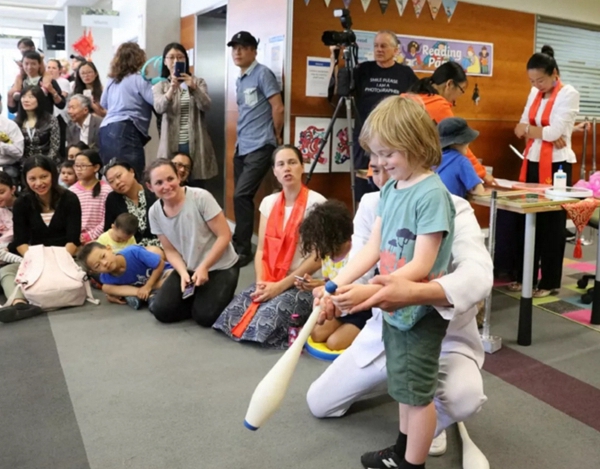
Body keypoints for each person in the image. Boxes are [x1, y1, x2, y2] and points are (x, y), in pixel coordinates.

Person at [307, 157, 491, 463]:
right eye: (374, 167)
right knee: (319, 403)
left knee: (463, 398)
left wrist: (414, 293)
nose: (380, 174)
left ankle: (426, 421)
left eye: (386, 163)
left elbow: (478, 276)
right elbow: (364, 263)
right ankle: (407, 393)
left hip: (439, 331)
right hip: (386, 328)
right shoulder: (374, 202)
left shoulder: (449, 204)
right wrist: (333, 292)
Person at [314, 96, 455, 469]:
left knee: (417, 396)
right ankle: (401, 451)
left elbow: (422, 264)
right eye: (376, 155)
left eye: (388, 153)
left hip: (419, 313)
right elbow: (373, 248)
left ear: (416, 143)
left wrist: (373, 290)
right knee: (403, 389)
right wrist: (334, 284)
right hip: (394, 309)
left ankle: (412, 465)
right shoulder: (392, 190)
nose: (381, 163)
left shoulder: (431, 195)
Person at [213, 145, 325, 348]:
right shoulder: (268, 202)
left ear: (302, 167)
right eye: (280, 164)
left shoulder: (317, 203)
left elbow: (318, 257)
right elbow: (262, 250)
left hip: (302, 283)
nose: (287, 168)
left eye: (292, 162)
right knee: (230, 316)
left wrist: (280, 287)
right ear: (274, 171)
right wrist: (261, 283)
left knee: (264, 322)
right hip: (272, 276)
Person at [505, 45, 580, 298]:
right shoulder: (535, 93)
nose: (536, 85)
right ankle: (521, 274)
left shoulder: (569, 93)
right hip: (533, 161)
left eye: (541, 80)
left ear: (554, 73)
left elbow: (553, 132)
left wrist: (541, 132)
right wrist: (543, 132)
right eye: (532, 81)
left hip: (558, 165)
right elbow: (520, 126)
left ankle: (549, 281)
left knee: (551, 225)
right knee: (525, 220)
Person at [146, 159, 240, 327]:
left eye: (170, 179)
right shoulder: (154, 212)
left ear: (178, 177)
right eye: (158, 183)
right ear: (150, 187)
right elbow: (170, 250)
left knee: (205, 318)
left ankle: (209, 299)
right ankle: (200, 297)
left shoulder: (200, 197)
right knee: (161, 311)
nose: (166, 186)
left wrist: (204, 267)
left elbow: (224, 235)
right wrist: (182, 272)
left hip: (220, 266)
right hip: (189, 267)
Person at [336, 30, 418, 202]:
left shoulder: (405, 74)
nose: (379, 49)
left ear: (396, 50)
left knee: (391, 181)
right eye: (375, 46)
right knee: (363, 186)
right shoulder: (363, 70)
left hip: (393, 138)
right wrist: (335, 60)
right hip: (364, 137)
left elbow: (415, 104)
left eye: (383, 46)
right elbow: (341, 93)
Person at [0, 156, 81, 323]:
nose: (39, 183)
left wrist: (58, 260)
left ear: (52, 174)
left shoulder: (70, 199)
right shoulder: (22, 203)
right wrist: (37, 262)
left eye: (44, 176)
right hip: (34, 256)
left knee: (87, 264)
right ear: (26, 180)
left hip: (65, 255)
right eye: (32, 178)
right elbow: (21, 241)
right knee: (6, 271)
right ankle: (20, 304)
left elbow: (73, 239)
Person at [228, 31, 284, 267]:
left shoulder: (263, 74)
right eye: (234, 48)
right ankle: (240, 242)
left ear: (254, 50)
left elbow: (277, 107)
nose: (237, 52)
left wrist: (276, 136)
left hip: (262, 144)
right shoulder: (240, 79)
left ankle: (243, 248)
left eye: (243, 48)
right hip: (243, 146)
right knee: (241, 196)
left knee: (242, 195)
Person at [297, 199, 372, 350]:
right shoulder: (327, 253)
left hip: (360, 310)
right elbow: (333, 281)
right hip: (337, 307)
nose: (318, 248)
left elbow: (358, 286)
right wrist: (316, 283)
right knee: (316, 335)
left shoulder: (357, 252)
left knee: (334, 343)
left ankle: (368, 331)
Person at [409, 61, 495, 185]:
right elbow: (460, 143)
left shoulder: (407, 97)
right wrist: (482, 173)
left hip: (381, 169)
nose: (457, 99)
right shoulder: (438, 105)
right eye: (461, 90)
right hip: (402, 172)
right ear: (449, 84)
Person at [153, 43, 217, 185]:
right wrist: (171, 89)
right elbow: (159, 107)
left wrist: (193, 87)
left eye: (180, 57)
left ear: (186, 60)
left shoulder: (198, 82)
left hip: (196, 142)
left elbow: (206, 105)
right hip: (171, 143)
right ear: (165, 61)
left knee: (197, 185)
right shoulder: (160, 86)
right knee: (171, 183)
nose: (176, 61)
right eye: (171, 57)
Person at [98, 42, 154, 177]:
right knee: (133, 178)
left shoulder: (112, 80)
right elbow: (156, 101)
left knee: (112, 178)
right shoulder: (139, 78)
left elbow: (103, 103)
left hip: (105, 130)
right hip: (126, 128)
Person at [78, 243, 171, 310]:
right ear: (94, 271)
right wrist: (111, 295)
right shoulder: (106, 278)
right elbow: (109, 290)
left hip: (162, 274)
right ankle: (144, 295)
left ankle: (146, 295)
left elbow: (160, 264)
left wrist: (148, 286)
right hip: (140, 287)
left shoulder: (133, 252)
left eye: (103, 256)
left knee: (172, 276)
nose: (105, 263)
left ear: (109, 248)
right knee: (106, 287)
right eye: (97, 266)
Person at [103, 159, 159, 247]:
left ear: (131, 171)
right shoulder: (112, 199)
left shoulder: (152, 190)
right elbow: (109, 230)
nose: (117, 182)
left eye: (119, 176)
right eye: (111, 181)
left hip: (160, 244)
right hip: (129, 248)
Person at [70, 149, 112, 244]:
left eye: (83, 166)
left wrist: (89, 236)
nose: (79, 169)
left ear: (96, 167)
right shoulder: (71, 191)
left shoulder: (106, 190)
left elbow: (106, 219)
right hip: (75, 239)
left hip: (100, 240)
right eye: (76, 166)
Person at [436, 117, 485, 198]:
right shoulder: (461, 162)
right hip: (451, 209)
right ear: (458, 142)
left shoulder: (430, 159)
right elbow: (478, 190)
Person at [7, 51, 65, 116]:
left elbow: (61, 105)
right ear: (22, 65)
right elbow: (12, 109)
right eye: (26, 64)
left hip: (44, 122)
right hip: (24, 121)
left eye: (33, 64)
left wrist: (52, 91)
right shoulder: (19, 82)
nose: (29, 67)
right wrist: (10, 95)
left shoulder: (49, 81)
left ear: (39, 65)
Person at [14, 86, 60, 161]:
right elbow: (14, 149)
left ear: (39, 99)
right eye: (23, 97)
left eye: (31, 97)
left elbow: (54, 148)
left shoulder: (51, 120)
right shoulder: (16, 122)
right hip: (23, 164)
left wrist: (42, 164)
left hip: (47, 163)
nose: (26, 100)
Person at [0, 171, 23, 265]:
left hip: (21, 245)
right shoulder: (2, 209)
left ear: (13, 189)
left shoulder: (25, 204)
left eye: (1, 192)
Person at [0, 112, 25, 184]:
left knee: (10, 174)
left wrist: (2, 145)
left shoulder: (9, 125)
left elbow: (19, 153)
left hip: (7, 165)